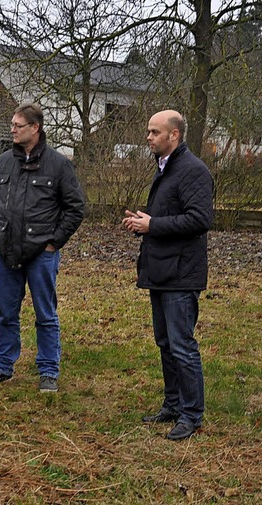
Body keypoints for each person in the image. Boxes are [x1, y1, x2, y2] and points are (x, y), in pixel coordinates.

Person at [0, 103, 85, 392]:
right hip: (6, 252)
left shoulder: (59, 165)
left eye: (18, 125)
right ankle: (3, 367)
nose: (12, 129)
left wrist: (54, 242)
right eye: (12, 124)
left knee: (45, 314)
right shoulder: (3, 162)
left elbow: (75, 208)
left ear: (35, 128)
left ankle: (49, 370)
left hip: (42, 254)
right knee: (6, 313)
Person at [122, 110, 213, 441]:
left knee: (182, 344)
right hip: (161, 269)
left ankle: (191, 414)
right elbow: (172, 217)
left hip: (182, 274)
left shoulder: (192, 171)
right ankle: (173, 406)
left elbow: (200, 219)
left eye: (154, 132)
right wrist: (144, 224)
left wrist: (153, 225)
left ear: (173, 135)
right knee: (166, 343)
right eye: (148, 131)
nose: (148, 137)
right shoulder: (165, 169)